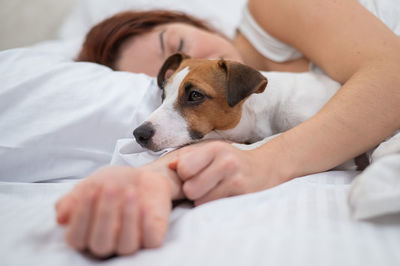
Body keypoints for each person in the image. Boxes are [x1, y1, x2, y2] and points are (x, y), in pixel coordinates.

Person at [56, 0, 400, 258]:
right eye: (168, 82)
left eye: (177, 46)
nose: (194, 64)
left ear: (189, 20)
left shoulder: (272, 7)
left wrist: (268, 161)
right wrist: (157, 178)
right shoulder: (234, 119)